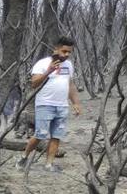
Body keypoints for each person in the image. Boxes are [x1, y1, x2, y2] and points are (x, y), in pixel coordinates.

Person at [15, 36, 83, 173]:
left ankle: (49, 164)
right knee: (40, 134)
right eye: (64, 51)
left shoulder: (68, 65)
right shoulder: (42, 63)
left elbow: (70, 84)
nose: (67, 54)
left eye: (69, 52)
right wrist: (49, 71)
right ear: (56, 49)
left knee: (56, 135)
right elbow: (34, 83)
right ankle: (23, 157)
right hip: (45, 104)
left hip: (62, 105)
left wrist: (75, 102)